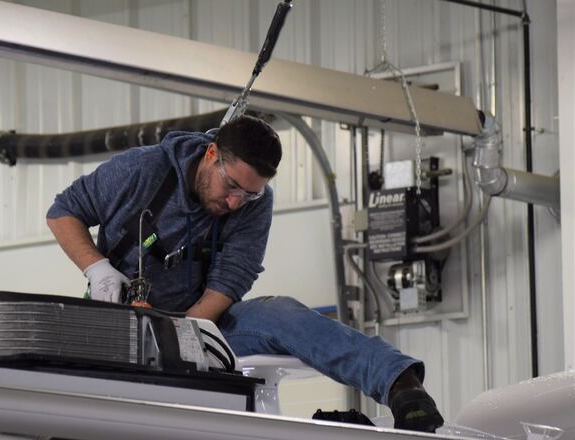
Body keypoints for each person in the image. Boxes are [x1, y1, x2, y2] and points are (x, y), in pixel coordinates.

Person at [46, 115, 444, 432]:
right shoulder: (142, 169)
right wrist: (97, 268)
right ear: (211, 154)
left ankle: (400, 384)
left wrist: (185, 335)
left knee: (281, 313)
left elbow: (233, 277)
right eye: (231, 186)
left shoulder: (255, 202)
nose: (236, 203)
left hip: (205, 322)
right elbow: (64, 211)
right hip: (120, 321)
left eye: (248, 194)